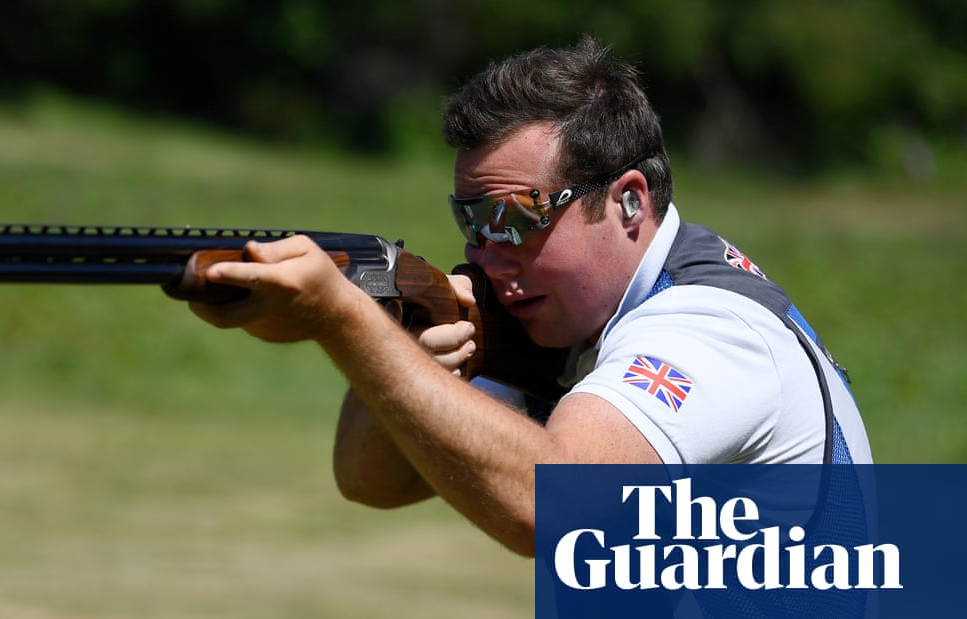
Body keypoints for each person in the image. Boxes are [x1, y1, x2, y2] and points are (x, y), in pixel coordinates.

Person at [188, 35, 872, 558]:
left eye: (517, 217)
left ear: (628, 201)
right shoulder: (572, 324)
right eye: (470, 220)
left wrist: (346, 324)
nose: (485, 252)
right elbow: (372, 481)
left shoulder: (707, 328)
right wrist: (404, 341)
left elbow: (556, 509)